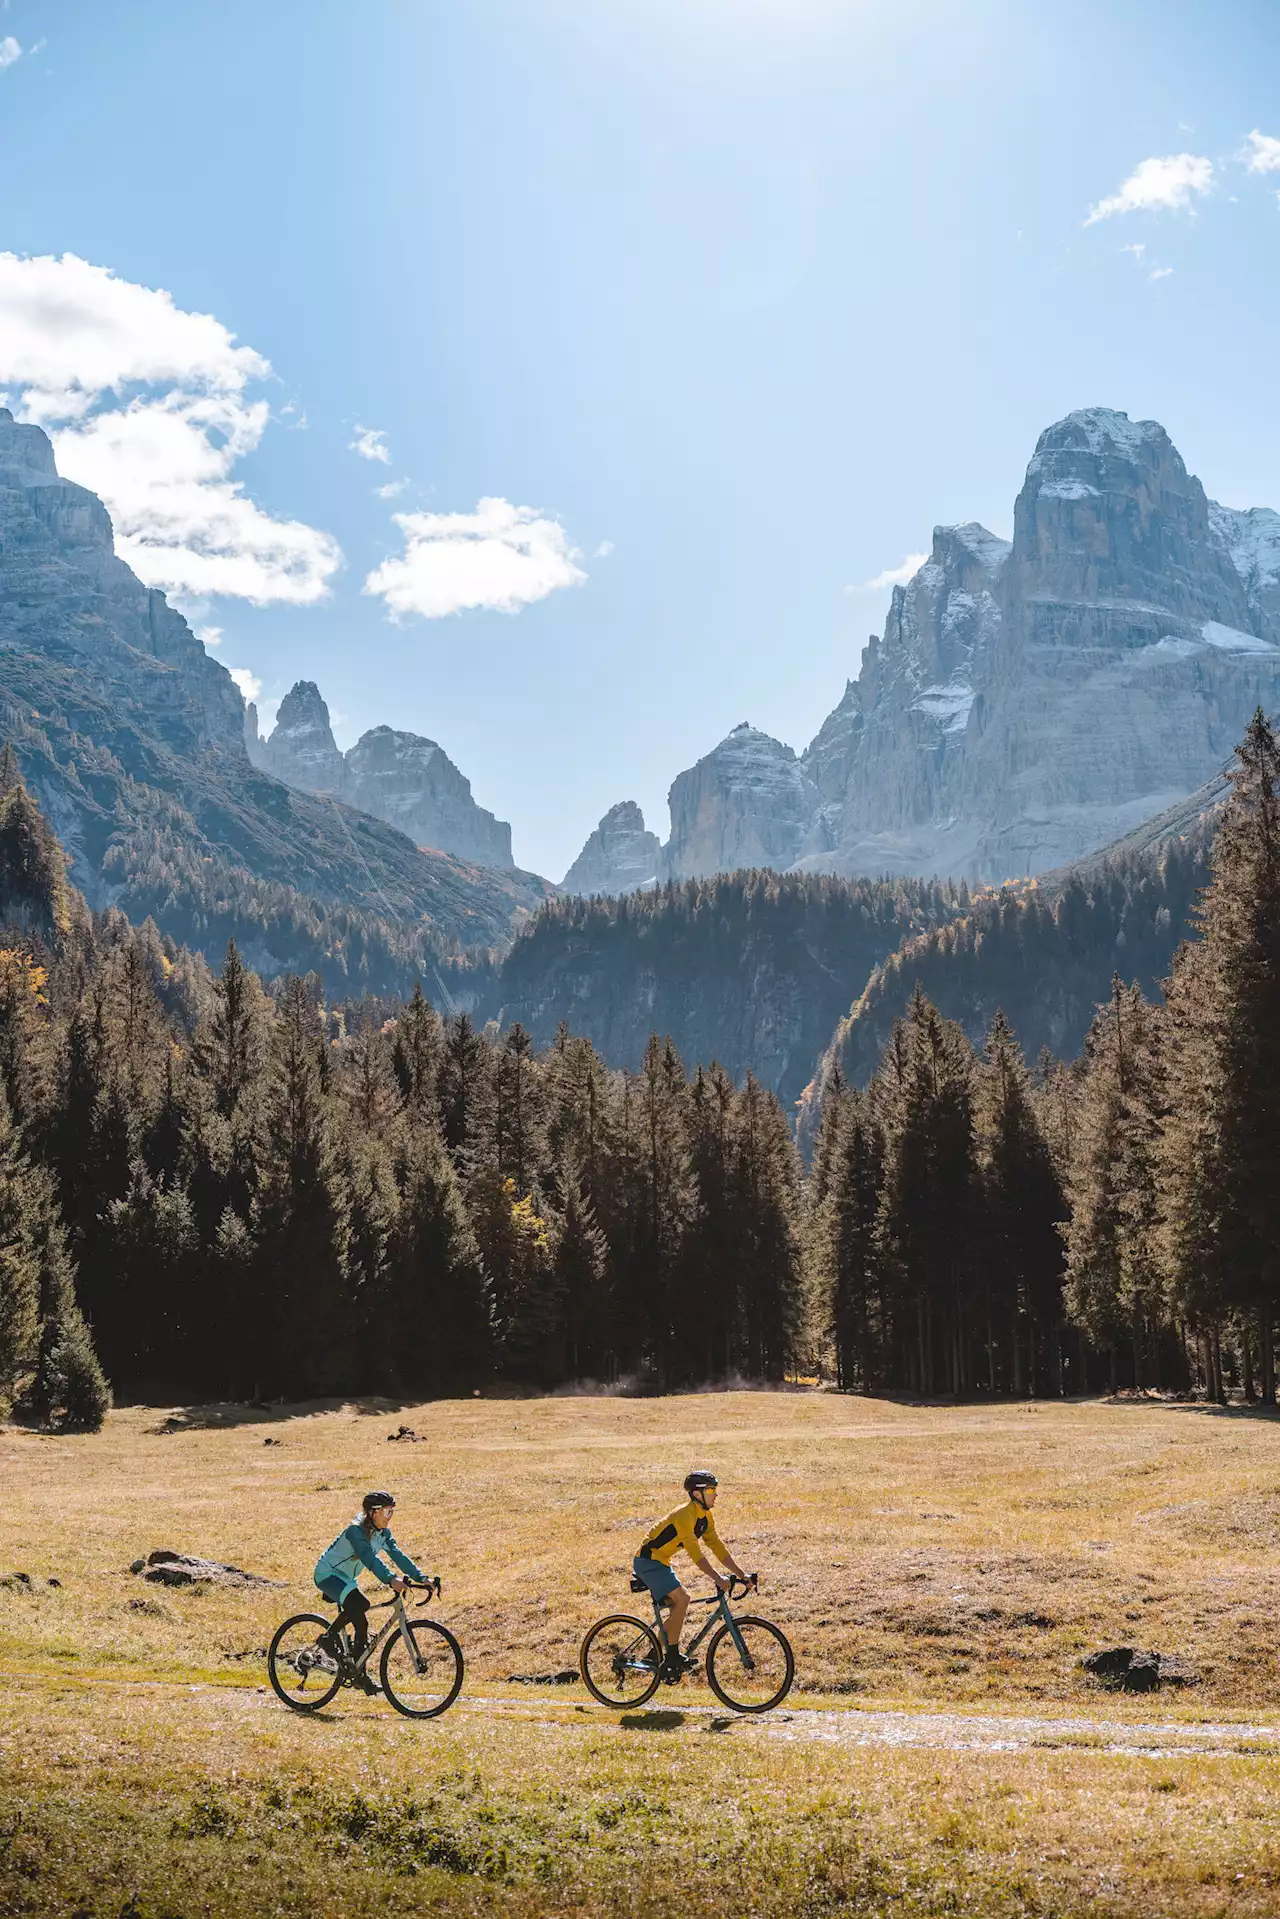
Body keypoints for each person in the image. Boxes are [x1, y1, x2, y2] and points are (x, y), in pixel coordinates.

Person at [634, 1471, 754, 1681]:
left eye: (715, 1490)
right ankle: (671, 1656)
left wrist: (741, 1574)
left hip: (661, 1562)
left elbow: (717, 1546)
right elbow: (696, 1554)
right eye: (711, 1490)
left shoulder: (705, 1516)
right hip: (648, 1561)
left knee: (679, 1605)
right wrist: (717, 1578)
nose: (715, 1495)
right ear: (697, 1494)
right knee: (683, 1599)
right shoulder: (684, 1515)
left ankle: (655, 1654)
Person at [313, 1491, 426, 1694]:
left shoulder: (382, 1534)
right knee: (361, 1606)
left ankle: (359, 1674)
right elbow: (368, 1558)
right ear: (373, 1513)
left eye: (392, 1512)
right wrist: (391, 1579)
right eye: (386, 1512)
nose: (389, 1517)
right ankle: (328, 1639)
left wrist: (421, 1578)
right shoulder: (355, 1531)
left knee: (361, 1622)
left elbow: (397, 1555)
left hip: (346, 1579)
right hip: (328, 1574)